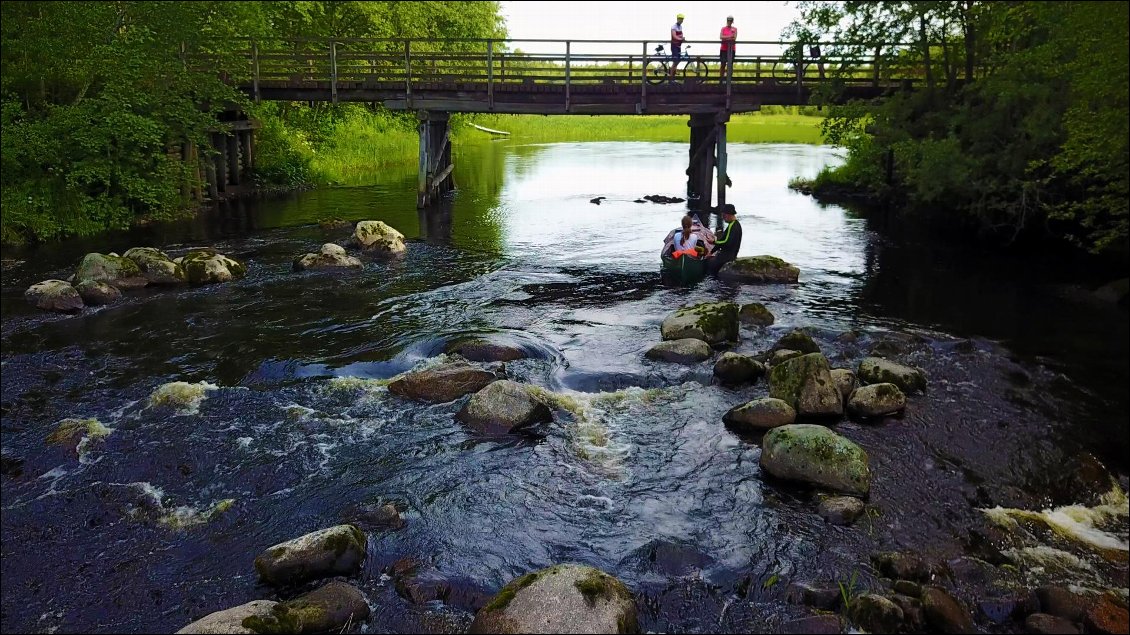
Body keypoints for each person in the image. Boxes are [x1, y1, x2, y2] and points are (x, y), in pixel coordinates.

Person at [707, 204, 742, 274]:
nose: (723, 218)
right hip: (730, 254)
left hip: (727, 256)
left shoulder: (733, 226)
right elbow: (722, 239)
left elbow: (726, 242)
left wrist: (713, 242)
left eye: (724, 215)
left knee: (709, 265)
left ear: (728, 214)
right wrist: (711, 252)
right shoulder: (734, 224)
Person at [719, 16, 737, 80]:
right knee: (723, 64)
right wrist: (729, 36)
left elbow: (734, 38)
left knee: (730, 65)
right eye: (728, 21)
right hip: (723, 49)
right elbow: (721, 37)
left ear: (732, 22)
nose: (729, 22)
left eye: (730, 21)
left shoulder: (735, 29)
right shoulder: (723, 28)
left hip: (731, 49)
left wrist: (725, 37)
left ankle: (728, 80)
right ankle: (721, 79)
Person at [670, 13, 686, 82]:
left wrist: (682, 38)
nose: (681, 20)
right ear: (677, 19)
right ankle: (670, 79)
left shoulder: (680, 27)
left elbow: (681, 35)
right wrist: (680, 39)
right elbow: (674, 36)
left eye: (682, 19)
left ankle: (673, 77)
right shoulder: (674, 26)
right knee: (675, 61)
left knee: (678, 61)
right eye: (680, 19)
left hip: (679, 46)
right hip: (674, 45)